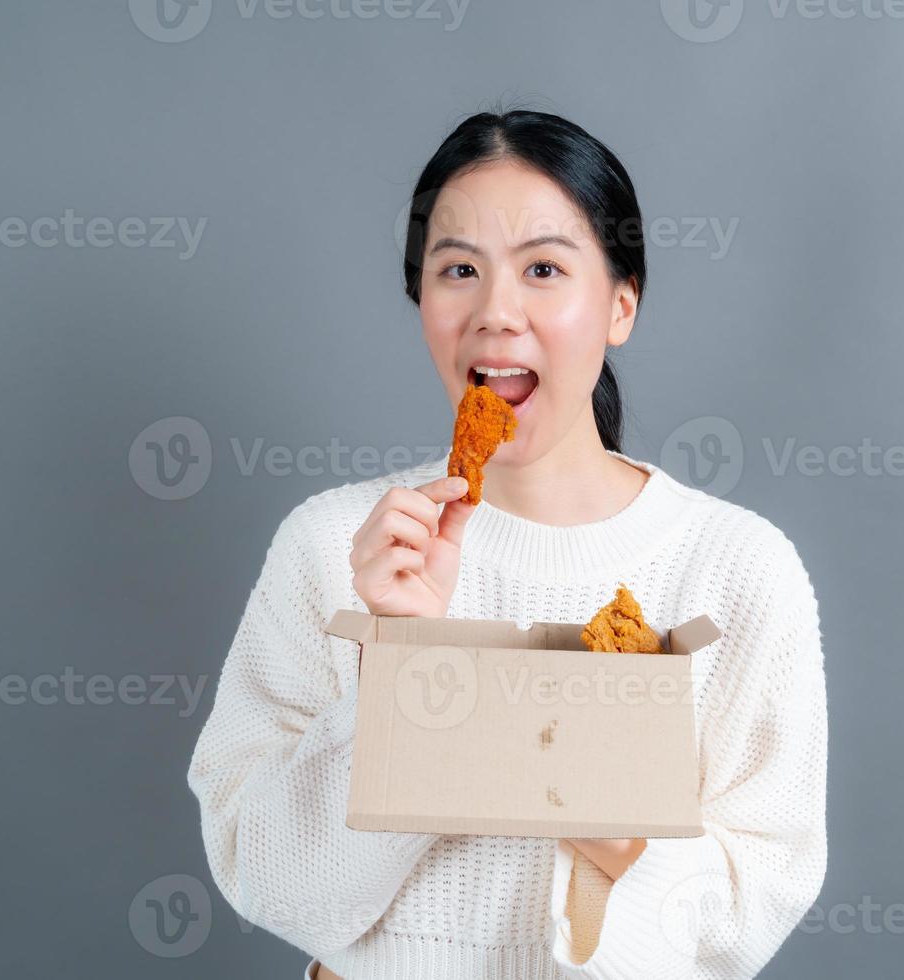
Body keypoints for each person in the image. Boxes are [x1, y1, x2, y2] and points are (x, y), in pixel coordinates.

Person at [188, 107, 828, 980]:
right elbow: (270, 884)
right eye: (459, 269)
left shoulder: (735, 570)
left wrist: (618, 823)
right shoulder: (337, 547)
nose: (497, 311)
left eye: (543, 268)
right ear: (422, 301)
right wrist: (404, 661)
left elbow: (759, 899)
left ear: (621, 305)